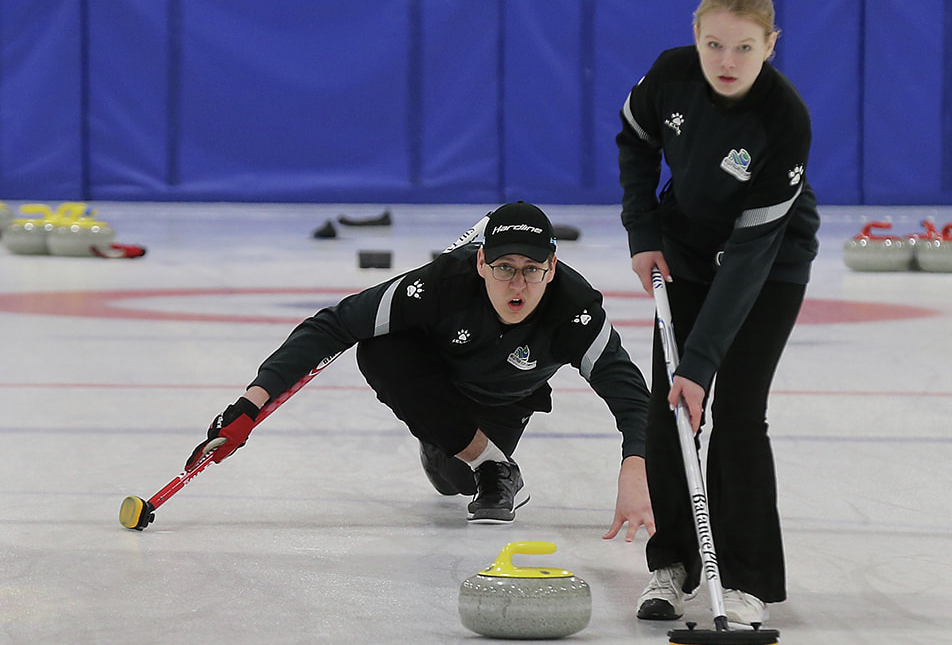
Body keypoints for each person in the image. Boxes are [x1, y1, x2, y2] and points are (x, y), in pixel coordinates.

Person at [185, 201, 654, 537]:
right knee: (377, 347)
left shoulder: (575, 309)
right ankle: (491, 463)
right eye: (504, 266)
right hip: (437, 384)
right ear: (480, 263)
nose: (518, 282)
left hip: (504, 400)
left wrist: (637, 468)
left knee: (451, 480)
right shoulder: (441, 284)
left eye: (532, 269)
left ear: (552, 267)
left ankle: (468, 452)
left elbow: (631, 396)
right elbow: (333, 324)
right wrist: (250, 404)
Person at [615, 0, 820, 627]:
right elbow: (635, 143)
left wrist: (699, 362)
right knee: (667, 407)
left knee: (735, 412)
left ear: (770, 45)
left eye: (742, 49)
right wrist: (644, 234)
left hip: (769, 264)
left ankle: (745, 580)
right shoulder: (670, 76)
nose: (725, 62)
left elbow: (751, 256)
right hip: (684, 249)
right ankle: (671, 564)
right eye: (712, 45)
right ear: (695, 40)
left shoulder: (783, 118)